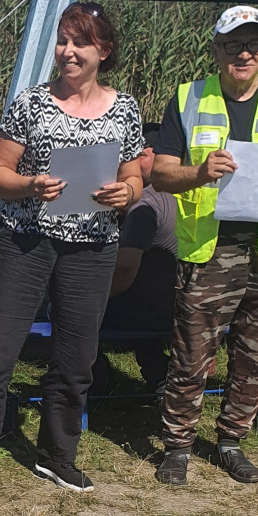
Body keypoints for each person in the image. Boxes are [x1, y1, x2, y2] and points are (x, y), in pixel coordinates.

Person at [0, 1, 143, 501]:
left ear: (104, 51)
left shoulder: (126, 108)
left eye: (81, 42)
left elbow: (135, 174)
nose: (68, 51)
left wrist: (128, 193)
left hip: (93, 246)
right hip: (26, 241)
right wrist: (30, 185)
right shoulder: (30, 103)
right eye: (63, 41)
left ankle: (57, 454)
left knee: (77, 358)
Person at [152, 5, 258, 487]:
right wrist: (199, 172)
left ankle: (232, 442)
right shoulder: (189, 97)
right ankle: (177, 446)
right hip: (209, 251)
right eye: (234, 44)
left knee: (254, 358)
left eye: (253, 44)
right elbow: (159, 174)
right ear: (216, 50)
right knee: (192, 355)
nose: (244, 53)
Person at [94, 124, 177, 394]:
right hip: (184, 306)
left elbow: (126, 269)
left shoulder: (146, 204)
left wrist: (100, 298)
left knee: (72, 308)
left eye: (139, 155)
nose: (128, 162)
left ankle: (91, 374)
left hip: (154, 312)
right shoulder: (186, 193)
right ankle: (159, 375)